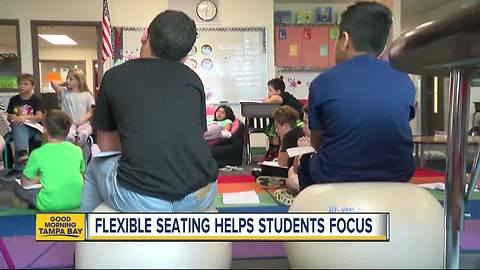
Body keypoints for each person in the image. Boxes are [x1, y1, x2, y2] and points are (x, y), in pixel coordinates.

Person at [81, 10, 218, 212]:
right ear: (186, 55)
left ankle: (83, 232)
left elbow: (108, 146)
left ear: (145, 35)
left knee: (94, 166)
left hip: (144, 200)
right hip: (202, 193)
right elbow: (195, 136)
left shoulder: (114, 77)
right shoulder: (193, 80)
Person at [301, 1, 416, 190]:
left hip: (336, 176)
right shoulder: (405, 81)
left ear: (344, 40)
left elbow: (317, 142)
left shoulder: (323, 82)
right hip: (398, 174)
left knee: (305, 162)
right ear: (383, 48)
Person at [13, 110, 84, 211]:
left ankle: (30, 205)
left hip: (49, 204)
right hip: (78, 201)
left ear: (44, 130)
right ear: (68, 130)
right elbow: (81, 173)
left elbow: (25, 183)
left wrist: (39, 178)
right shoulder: (77, 150)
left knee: (16, 187)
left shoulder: (37, 153)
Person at [7, 74, 44, 170]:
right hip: (18, 127)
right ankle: (23, 155)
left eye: (25, 84)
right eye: (19, 84)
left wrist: (25, 117)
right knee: (17, 126)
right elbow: (9, 117)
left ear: (33, 86)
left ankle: (20, 165)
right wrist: (13, 117)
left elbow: (39, 117)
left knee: (18, 128)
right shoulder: (14, 99)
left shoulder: (36, 100)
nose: (22, 86)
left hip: (34, 128)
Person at [51, 68, 95, 146]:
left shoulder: (87, 94)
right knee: (69, 136)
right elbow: (53, 83)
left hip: (83, 124)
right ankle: (71, 153)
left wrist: (82, 120)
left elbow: (90, 111)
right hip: (69, 124)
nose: (68, 80)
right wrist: (65, 83)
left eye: (71, 79)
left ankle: (80, 153)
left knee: (83, 134)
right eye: (67, 78)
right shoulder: (64, 93)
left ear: (79, 81)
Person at [263, 78, 304, 161]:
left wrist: (267, 100)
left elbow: (274, 99)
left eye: (270, 90)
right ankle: (273, 148)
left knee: (274, 129)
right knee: (271, 127)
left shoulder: (283, 96)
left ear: (278, 92)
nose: (268, 93)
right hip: (292, 119)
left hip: (299, 120)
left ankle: (276, 150)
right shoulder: (281, 97)